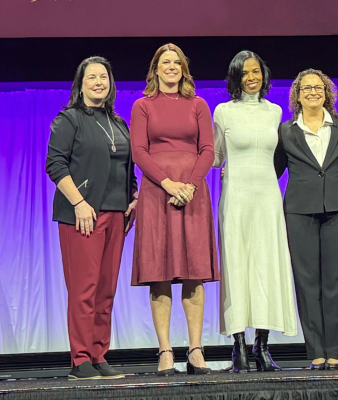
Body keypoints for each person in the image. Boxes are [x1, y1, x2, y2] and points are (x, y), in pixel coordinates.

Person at [46, 56, 138, 380]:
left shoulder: (119, 123)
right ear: (81, 84)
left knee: (105, 291)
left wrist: (134, 196)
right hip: (83, 215)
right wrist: (80, 203)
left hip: (116, 215)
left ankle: (99, 354)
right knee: (84, 290)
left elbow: (128, 167)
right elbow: (55, 165)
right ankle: (80, 360)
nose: (99, 82)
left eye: (104, 77)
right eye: (92, 77)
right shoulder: (69, 119)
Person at [129, 43, 219, 376]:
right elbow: (139, 152)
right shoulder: (142, 106)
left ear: (184, 68)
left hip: (192, 192)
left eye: (176, 62)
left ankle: (195, 350)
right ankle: (165, 351)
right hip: (157, 193)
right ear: (155, 69)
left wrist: (190, 186)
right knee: (159, 273)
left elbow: (207, 150)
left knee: (194, 273)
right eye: (165, 62)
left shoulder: (198, 105)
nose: (171, 67)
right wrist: (168, 184)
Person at [213, 51, 297, 373]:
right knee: (237, 267)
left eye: (257, 71)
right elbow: (216, 155)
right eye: (245, 73)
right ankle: (238, 347)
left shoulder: (275, 112)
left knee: (267, 267)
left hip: (267, 198)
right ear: (236, 77)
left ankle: (262, 345)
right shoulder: (223, 112)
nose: (252, 77)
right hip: (236, 198)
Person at [275, 69, 338, 370]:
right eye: (306, 88)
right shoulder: (285, 131)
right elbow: (273, 170)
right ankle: (316, 351)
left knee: (337, 281)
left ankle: (336, 351)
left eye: (319, 87)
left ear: (327, 93)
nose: (313, 92)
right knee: (307, 281)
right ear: (297, 95)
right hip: (299, 211)